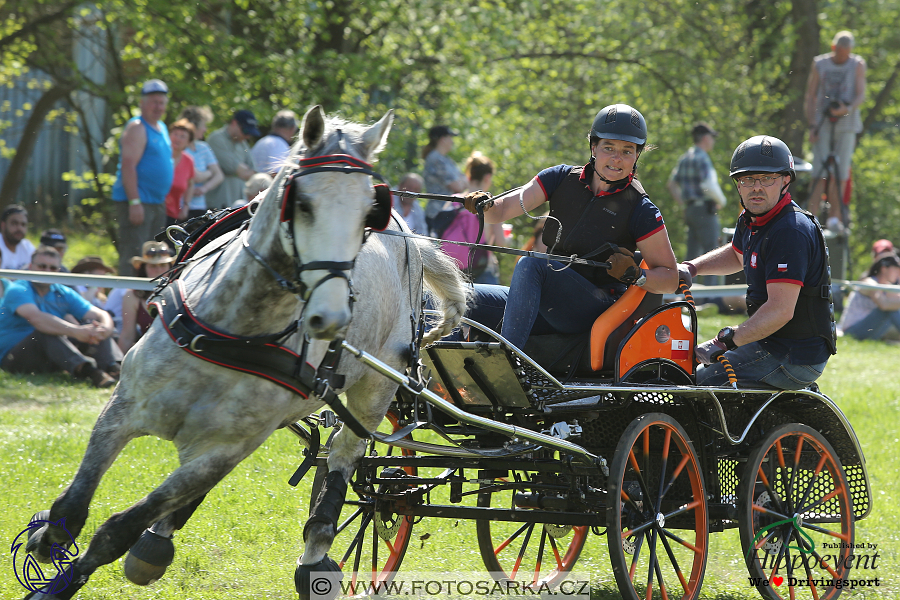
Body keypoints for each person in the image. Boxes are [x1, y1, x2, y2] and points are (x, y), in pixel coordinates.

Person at [461, 104, 678, 349]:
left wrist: (637, 275)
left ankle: (511, 358)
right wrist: (483, 205)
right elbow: (500, 211)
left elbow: (670, 279)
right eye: (609, 148)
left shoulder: (642, 210)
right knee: (452, 294)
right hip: (547, 300)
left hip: (593, 307)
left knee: (533, 262)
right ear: (593, 147)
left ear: (637, 155)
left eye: (627, 151)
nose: (617, 158)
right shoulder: (560, 178)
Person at [680, 136, 836, 390]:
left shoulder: (790, 230)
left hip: (793, 355)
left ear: (786, 180)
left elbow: (780, 310)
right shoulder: (751, 217)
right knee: (686, 368)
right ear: (738, 185)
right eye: (747, 179)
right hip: (771, 343)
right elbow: (736, 256)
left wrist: (725, 342)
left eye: (767, 179)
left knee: (699, 382)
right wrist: (691, 268)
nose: (756, 187)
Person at [0, 246, 121, 387]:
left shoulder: (62, 292)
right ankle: (91, 372)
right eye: (42, 266)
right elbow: (37, 319)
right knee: (44, 333)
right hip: (13, 358)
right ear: (31, 267)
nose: (47, 271)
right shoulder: (18, 289)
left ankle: (116, 368)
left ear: (58, 271)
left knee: (95, 326)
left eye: (52, 268)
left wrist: (104, 328)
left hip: (49, 355)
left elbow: (100, 313)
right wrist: (76, 331)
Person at [110, 79, 174, 276]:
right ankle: (126, 302)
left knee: (155, 258)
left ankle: (147, 302)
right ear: (142, 103)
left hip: (155, 203)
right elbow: (128, 166)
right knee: (134, 255)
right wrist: (134, 201)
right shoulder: (137, 127)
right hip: (139, 202)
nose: (158, 107)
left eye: (161, 102)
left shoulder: (161, 127)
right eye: (153, 101)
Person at [804, 30, 867, 231]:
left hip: (847, 124)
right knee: (819, 171)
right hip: (822, 122)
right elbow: (810, 96)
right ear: (834, 48)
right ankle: (811, 217)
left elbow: (861, 95)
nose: (844, 56)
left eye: (847, 52)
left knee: (841, 172)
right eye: (841, 51)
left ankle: (834, 218)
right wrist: (812, 124)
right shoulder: (820, 63)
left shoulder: (857, 64)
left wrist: (845, 109)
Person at [667, 122, 727, 286]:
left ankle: (688, 295)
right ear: (705, 138)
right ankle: (711, 298)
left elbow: (671, 184)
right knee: (713, 253)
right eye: (712, 138)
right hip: (704, 210)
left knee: (691, 256)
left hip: (691, 210)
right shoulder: (702, 158)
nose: (713, 142)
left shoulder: (685, 158)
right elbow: (708, 185)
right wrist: (722, 201)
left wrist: (684, 205)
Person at [438, 152, 508, 284]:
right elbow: (501, 243)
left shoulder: (453, 200)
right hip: (481, 270)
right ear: (487, 177)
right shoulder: (491, 204)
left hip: (451, 270)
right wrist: (508, 238)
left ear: (469, 175)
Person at [118, 241, 175, 353]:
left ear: (170, 267)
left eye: (163, 265)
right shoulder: (132, 296)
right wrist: (119, 364)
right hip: (149, 354)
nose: (158, 270)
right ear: (144, 268)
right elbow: (127, 336)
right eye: (153, 266)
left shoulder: (182, 292)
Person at [205, 109, 260, 209]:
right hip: (217, 205)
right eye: (245, 131)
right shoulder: (216, 139)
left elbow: (254, 172)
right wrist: (241, 170)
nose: (247, 136)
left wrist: (242, 170)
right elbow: (235, 169)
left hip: (238, 205)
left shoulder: (243, 143)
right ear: (234, 123)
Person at [839, 254, 900, 341]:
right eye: (896, 269)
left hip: (868, 331)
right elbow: (884, 305)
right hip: (852, 331)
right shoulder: (869, 282)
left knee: (894, 307)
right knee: (890, 309)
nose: (898, 273)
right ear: (884, 269)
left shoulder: (886, 285)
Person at [179, 106, 225, 219]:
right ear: (194, 126)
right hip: (180, 207)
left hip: (200, 207)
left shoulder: (204, 147)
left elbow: (219, 175)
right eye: (203, 125)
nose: (205, 129)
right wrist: (209, 173)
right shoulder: (180, 147)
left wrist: (204, 189)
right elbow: (196, 176)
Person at [422, 125, 468, 228]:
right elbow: (458, 187)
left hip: (447, 213)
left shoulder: (445, 159)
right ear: (443, 139)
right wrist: (461, 181)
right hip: (438, 214)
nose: (452, 141)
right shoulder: (436, 160)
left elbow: (465, 180)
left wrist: (461, 181)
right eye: (450, 138)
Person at [164, 118, 196, 226]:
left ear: (188, 142)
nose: (177, 138)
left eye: (182, 136)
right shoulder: (160, 155)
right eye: (175, 134)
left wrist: (186, 206)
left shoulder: (188, 161)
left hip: (173, 215)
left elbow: (190, 184)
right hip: (153, 208)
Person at [251, 109, 298, 175]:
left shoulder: (261, 141)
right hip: (265, 184)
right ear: (292, 128)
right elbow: (277, 173)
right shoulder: (278, 145)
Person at [1, 204, 36, 270]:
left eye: (23, 224)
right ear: (3, 225)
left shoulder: (27, 247)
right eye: (14, 223)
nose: (19, 228)